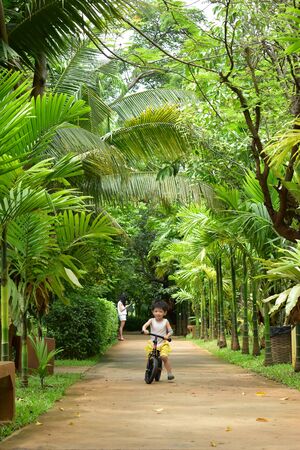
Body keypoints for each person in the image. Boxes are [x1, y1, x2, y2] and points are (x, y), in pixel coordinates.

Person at [142, 300, 175, 381]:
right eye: (156, 311)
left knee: (164, 356)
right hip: (153, 343)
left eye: (161, 311)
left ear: (165, 313)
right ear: (153, 312)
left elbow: (171, 331)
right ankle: (148, 371)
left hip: (163, 343)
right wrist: (144, 330)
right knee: (150, 356)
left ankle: (169, 373)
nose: (158, 313)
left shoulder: (165, 321)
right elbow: (145, 326)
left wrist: (167, 336)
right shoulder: (151, 320)